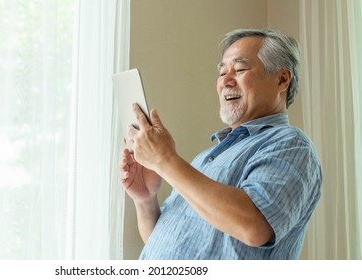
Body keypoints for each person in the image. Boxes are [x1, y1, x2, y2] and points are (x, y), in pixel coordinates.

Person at [120, 28, 322, 259]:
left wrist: (165, 161)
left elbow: (253, 227)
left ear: (282, 79)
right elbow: (164, 242)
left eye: (239, 69)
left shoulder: (292, 146)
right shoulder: (206, 158)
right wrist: (145, 199)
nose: (225, 81)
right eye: (222, 72)